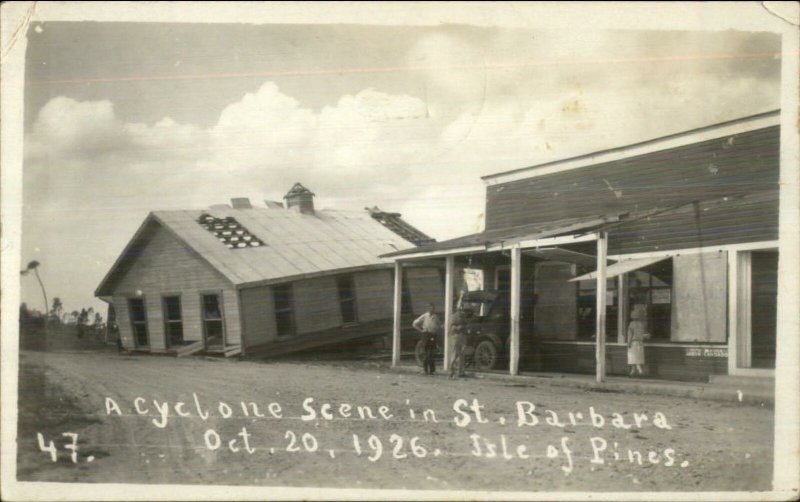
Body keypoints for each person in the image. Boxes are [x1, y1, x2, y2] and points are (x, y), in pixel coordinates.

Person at [412, 303, 442, 375]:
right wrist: (421, 330)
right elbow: (414, 323)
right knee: (426, 352)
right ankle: (425, 370)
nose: (431, 309)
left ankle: (432, 370)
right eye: (429, 308)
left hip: (433, 335)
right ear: (427, 309)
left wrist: (437, 330)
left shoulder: (435, 317)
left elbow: (439, 325)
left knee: (432, 353)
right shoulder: (425, 316)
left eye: (432, 308)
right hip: (426, 334)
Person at [627, 304, 649, 377]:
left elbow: (630, 334)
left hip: (633, 342)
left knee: (633, 357)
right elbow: (643, 333)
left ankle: (640, 371)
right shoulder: (641, 324)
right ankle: (633, 371)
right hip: (640, 342)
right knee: (638, 357)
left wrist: (629, 343)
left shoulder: (631, 324)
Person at [448, 307, 469, 379]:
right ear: (457, 309)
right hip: (455, 336)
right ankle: (451, 371)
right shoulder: (454, 316)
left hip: (463, 336)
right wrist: (457, 327)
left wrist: (465, 327)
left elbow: (467, 325)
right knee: (454, 354)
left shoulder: (464, 316)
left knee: (462, 354)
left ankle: (461, 372)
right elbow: (451, 327)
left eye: (462, 309)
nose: (461, 310)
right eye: (459, 309)